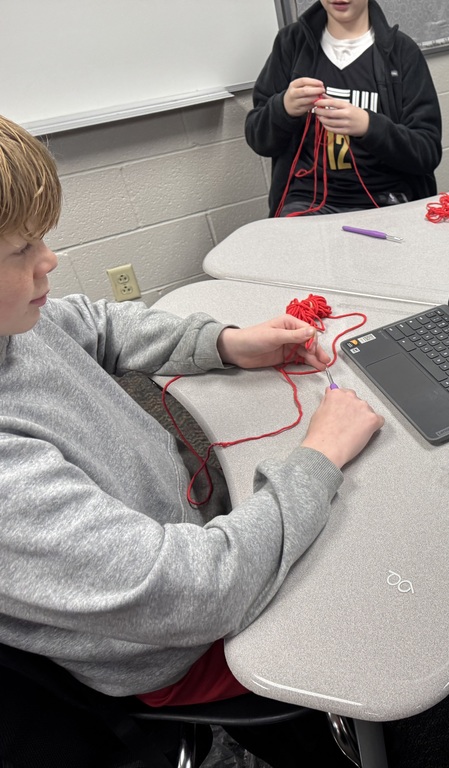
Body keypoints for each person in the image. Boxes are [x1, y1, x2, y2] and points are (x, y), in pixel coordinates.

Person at [0, 113, 384, 764]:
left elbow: (92, 325)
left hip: (188, 544)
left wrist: (228, 344)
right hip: (178, 642)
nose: (50, 260)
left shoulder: (15, 328)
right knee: (373, 588)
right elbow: (201, 594)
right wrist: (319, 455)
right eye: (20, 251)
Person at [246, 0, 442, 217]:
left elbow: (427, 152)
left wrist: (369, 126)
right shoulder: (291, 44)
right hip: (306, 202)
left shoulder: (402, 53)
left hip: (385, 200)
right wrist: (284, 108)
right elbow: (258, 138)